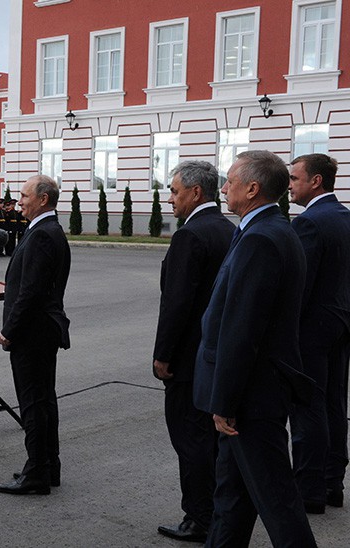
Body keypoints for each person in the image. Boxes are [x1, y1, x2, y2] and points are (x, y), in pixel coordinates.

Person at [193, 150, 316, 547]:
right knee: (231, 499)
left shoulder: (262, 237)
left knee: (277, 502)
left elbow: (242, 328)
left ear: (253, 187)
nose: (224, 187)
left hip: (251, 396)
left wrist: (224, 399)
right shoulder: (263, 229)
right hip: (252, 390)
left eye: (230, 180)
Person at [152, 161, 235, 543]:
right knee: (209, 440)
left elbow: (177, 303)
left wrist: (163, 355)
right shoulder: (228, 229)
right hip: (215, 353)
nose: (170, 198)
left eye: (174, 191)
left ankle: (198, 517)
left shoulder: (191, 235)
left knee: (190, 440)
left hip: (187, 359)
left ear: (196, 193)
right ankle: (215, 512)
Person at [0, 174, 71, 495]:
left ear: (42, 199)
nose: (19, 201)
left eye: (24, 196)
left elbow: (31, 291)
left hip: (32, 333)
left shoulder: (42, 235)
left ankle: (37, 471)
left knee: (33, 404)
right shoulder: (47, 230)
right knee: (43, 401)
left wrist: (9, 330)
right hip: (41, 331)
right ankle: (47, 465)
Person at [288, 153, 350, 513]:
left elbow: (301, 285)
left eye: (295, 178)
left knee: (308, 408)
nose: (290, 185)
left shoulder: (309, 222)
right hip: (341, 325)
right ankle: (331, 484)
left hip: (312, 329)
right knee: (333, 405)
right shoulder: (344, 216)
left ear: (316, 182)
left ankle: (310, 490)